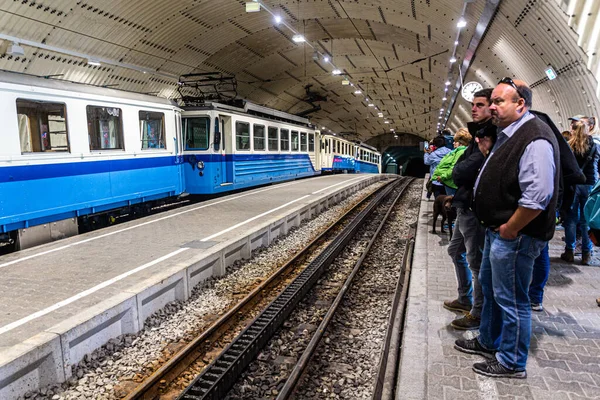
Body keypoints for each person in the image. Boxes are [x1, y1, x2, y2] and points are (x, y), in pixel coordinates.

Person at [454, 78, 558, 379]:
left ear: (520, 104)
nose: (493, 107)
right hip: (497, 232)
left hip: (516, 237)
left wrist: (512, 228)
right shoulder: (508, 134)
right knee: (490, 288)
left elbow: (538, 196)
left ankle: (512, 361)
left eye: (500, 101)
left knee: (512, 300)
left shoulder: (534, 137)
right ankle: (488, 340)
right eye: (493, 101)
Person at [443, 88, 496, 330]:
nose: (474, 108)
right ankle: (465, 298)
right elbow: (460, 169)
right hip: (463, 206)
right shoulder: (477, 137)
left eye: (480, 104)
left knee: (476, 262)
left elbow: (462, 171)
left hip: (473, 210)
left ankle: (477, 312)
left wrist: (462, 170)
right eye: (473, 104)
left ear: (492, 107)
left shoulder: (490, 135)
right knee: (455, 251)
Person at [560, 120, 598, 265]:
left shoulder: (569, 146)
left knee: (570, 219)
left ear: (573, 130)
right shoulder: (594, 145)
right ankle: (586, 254)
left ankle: (569, 251)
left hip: (573, 185)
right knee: (586, 220)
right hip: (589, 185)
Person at [431, 128, 472, 195]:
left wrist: (442, 177)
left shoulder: (460, 152)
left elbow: (454, 167)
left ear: (461, 143)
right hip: (449, 182)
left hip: (451, 184)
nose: (453, 143)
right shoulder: (457, 151)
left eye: (455, 141)